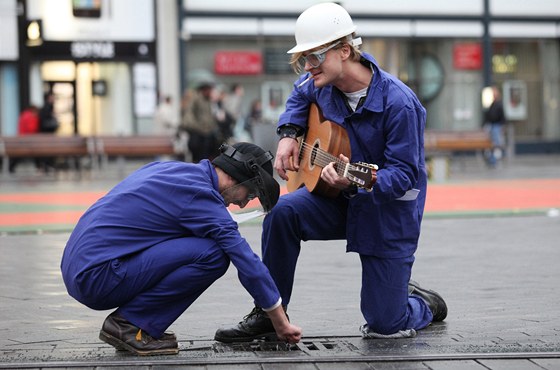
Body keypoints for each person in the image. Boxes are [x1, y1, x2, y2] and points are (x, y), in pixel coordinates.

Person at [214, 2, 447, 343]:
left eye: (314, 57)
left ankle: (421, 302)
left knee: (386, 325)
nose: (307, 67)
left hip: (386, 212)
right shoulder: (318, 82)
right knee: (280, 213)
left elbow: (405, 175)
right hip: (336, 200)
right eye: (303, 59)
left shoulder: (400, 104)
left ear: (345, 50)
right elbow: (298, 95)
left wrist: (359, 178)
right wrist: (290, 134)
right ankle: (268, 314)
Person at [60, 142, 302, 356]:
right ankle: (130, 324)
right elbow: (245, 259)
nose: (242, 202)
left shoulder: (175, 171)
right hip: (96, 276)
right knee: (214, 255)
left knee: (200, 243)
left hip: (80, 267)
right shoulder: (201, 195)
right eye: (248, 194)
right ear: (236, 176)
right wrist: (278, 319)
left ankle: (133, 322)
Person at [180, 82, 220, 162]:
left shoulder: (208, 100)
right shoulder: (196, 99)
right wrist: (198, 127)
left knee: (206, 156)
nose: (210, 92)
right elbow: (189, 115)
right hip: (199, 134)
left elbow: (209, 117)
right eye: (209, 90)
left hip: (206, 133)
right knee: (199, 157)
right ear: (204, 90)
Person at [9, 105, 40, 173]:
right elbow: (31, 129)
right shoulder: (30, 117)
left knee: (19, 153)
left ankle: (11, 166)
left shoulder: (24, 115)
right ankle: (38, 167)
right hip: (26, 139)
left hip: (22, 138)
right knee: (35, 152)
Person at [484, 86, 506, 168]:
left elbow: (502, 116)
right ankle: (492, 160)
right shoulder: (491, 104)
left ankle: (497, 160)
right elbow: (488, 115)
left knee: (497, 144)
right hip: (491, 125)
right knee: (492, 144)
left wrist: (502, 125)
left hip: (497, 125)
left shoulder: (499, 104)